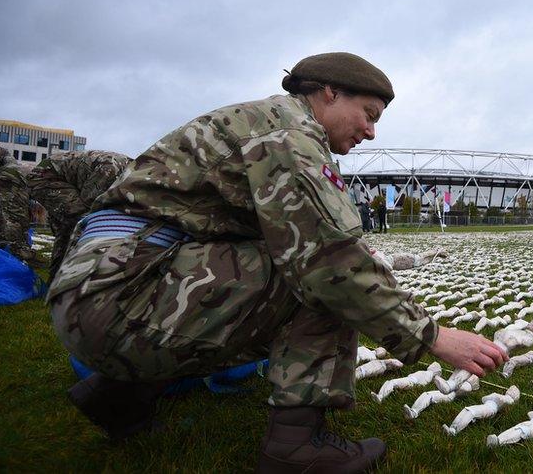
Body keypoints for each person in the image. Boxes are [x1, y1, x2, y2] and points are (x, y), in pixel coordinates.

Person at [47, 52, 508, 474]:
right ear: (330, 93)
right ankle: (296, 447)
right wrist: (432, 336)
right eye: (368, 115)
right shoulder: (288, 136)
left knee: (298, 265)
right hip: (120, 298)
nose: (371, 132)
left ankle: (118, 395)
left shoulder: (268, 123)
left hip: (106, 290)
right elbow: (331, 261)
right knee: (326, 280)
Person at [27, 150, 131, 279]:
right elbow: (91, 207)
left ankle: (59, 278)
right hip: (44, 178)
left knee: (67, 228)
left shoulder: (131, 172)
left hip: (65, 179)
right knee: (80, 221)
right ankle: (73, 277)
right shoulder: (111, 171)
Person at [0, 145, 34, 262]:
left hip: (9, 178)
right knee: (15, 217)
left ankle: (14, 251)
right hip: (14, 177)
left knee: (10, 217)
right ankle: (18, 250)